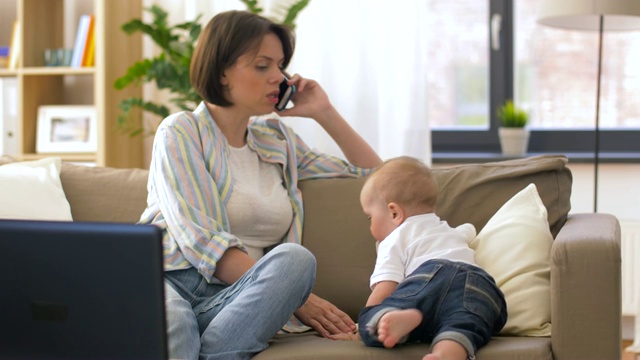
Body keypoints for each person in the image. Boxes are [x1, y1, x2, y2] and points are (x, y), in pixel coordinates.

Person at [137, 10, 382, 360]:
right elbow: (201, 239)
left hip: (237, 298)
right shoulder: (180, 131)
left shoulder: (277, 140)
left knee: (295, 260)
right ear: (222, 72)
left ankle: (212, 346)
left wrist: (324, 112)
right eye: (262, 66)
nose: (278, 78)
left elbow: (380, 179)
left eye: (280, 66)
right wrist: (304, 301)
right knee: (175, 323)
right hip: (171, 279)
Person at [332, 156, 507, 360]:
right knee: (463, 325)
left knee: (372, 317)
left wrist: (362, 329)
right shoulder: (444, 228)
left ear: (394, 213)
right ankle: (444, 354)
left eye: (370, 217)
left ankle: (398, 318)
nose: (370, 226)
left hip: (429, 275)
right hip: (481, 286)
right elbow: (465, 233)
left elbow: (384, 289)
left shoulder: (394, 239)